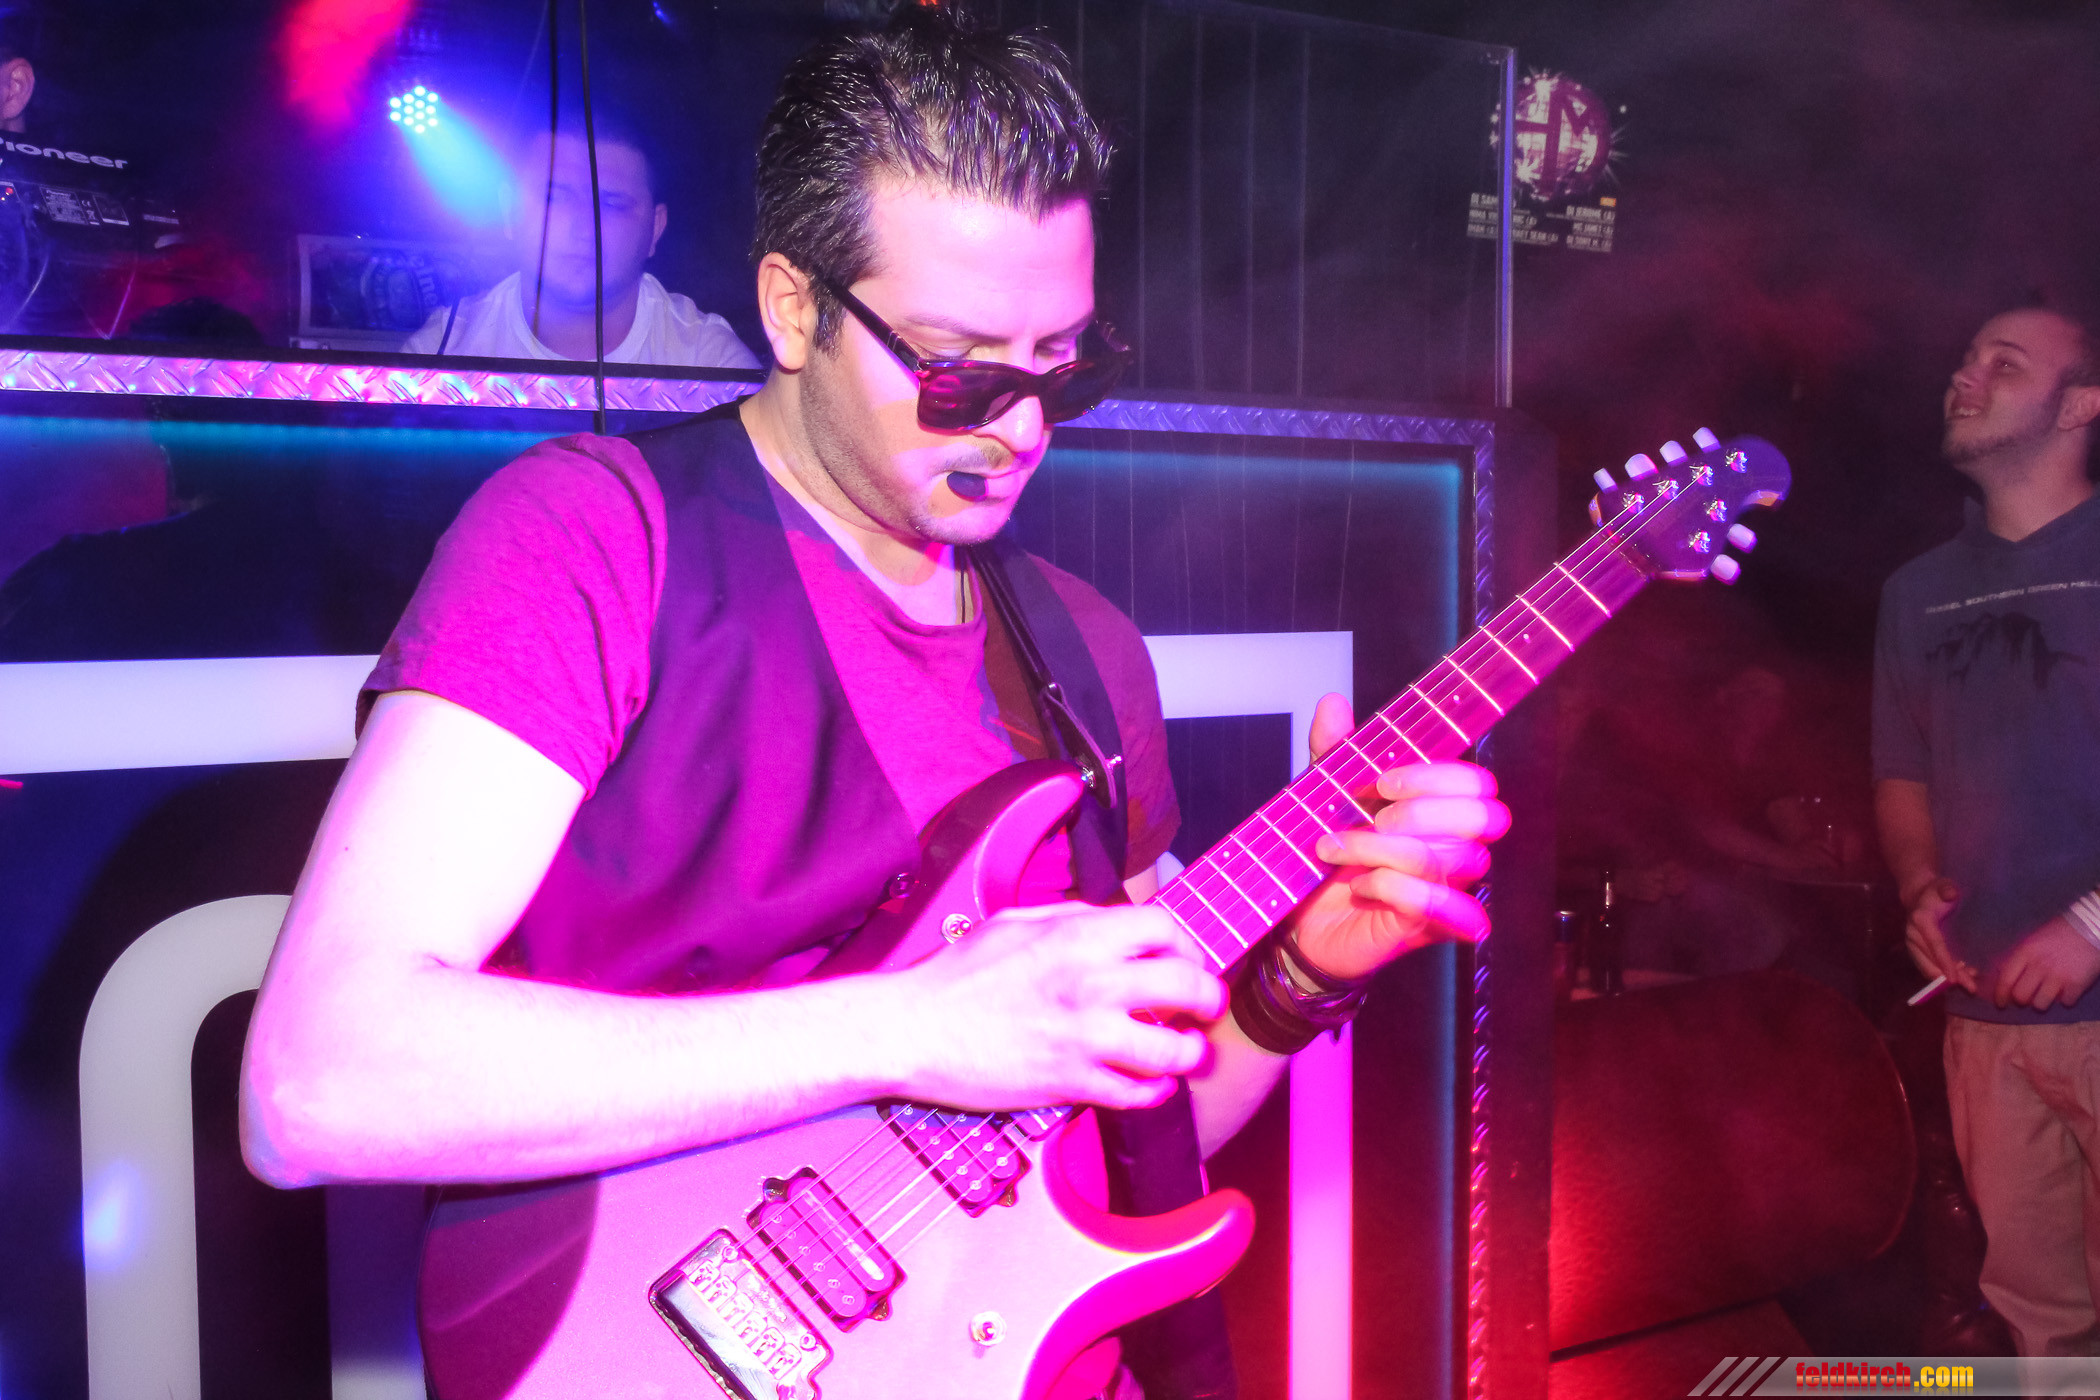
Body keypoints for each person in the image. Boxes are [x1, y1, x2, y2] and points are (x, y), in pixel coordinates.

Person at [241, 11, 1505, 1396]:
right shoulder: (593, 541)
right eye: (961, 370)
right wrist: (918, 1025)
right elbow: (318, 1083)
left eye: (1065, 364)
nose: (1021, 430)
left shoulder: (1087, 655)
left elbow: (1132, 1147)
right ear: (795, 308)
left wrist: (1299, 973)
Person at [1875, 301, 2100, 1355]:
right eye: (1966, 357)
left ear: (2082, 405)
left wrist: (2092, 924)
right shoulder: (1916, 591)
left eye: (2004, 364)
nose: (1965, 376)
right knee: (2042, 1326)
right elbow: (1902, 775)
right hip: (1985, 1024)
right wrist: (1918, 886)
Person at [399, 106, 759, 369]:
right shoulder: (440, 353)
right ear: (510, 213)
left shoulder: (711, 363)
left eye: (612, 203)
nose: (584, 227)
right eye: (555, 197)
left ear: (655, 228)